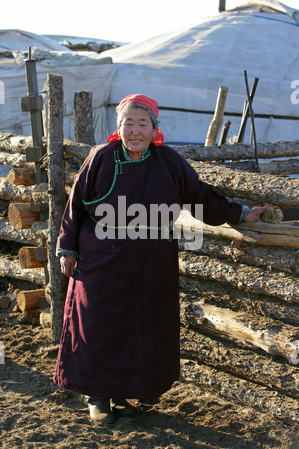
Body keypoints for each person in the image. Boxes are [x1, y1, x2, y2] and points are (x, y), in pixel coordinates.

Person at [54, 94, 266, 424]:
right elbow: (75, 205)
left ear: (155, 128)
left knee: (139, 326)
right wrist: (67, 247)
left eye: (143, 124)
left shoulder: (168, 162)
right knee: (98, 324)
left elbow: (201, 197)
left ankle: (124, 393)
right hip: (100, 259)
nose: (135, 130)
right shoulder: (100, 157)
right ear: (118, 127)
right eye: (129, 123)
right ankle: (96, 396)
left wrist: (240, 214)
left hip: (149, 261)